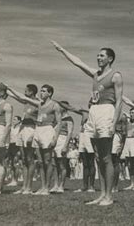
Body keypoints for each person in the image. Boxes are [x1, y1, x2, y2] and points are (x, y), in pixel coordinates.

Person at [51, 41, 123, 206]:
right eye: (98, 55)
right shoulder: (95, 74)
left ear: (110, 59)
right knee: (98, 157)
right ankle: (102, 194)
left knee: (106, 157)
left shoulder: (115, 75)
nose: (98, 58)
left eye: (102, 55)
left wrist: (113, 123)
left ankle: (109, 196)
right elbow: (78, 62)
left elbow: (119, 102)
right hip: (94, 112)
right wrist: (62, 49)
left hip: (107, 111)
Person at [7, 84, 39, 195]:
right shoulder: (26, 102)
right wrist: (8, 92)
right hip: (22, 129)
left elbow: (21, 96)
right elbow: (18, 97)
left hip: (30, 129)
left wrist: (10, 87)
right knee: (24, 159)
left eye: (26, 91)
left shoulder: (38, 103)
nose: (24, 92)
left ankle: (29, 187)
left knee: (30, 159)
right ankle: (24, 187)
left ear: (31, 92)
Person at [51, 101, 74, 193]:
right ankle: (55, 185)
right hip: (55, 140)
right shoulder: (57, 118)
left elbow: (70, 132)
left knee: (62, 164)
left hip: (63, 140)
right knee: (54, 164)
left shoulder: (69, 118)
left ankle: (61, 185)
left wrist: (65, 145)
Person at [121, 108, 134, 191]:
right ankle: (132, 183)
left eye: (133, 113)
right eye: (130, 113)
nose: (131, 114)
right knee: (129, 164)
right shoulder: (128, 122)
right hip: (128, 141)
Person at [111, 113, 127, 193]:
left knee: (115, 162)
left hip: (117, 137)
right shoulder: (107, 112)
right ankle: (109, 185)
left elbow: (124, 133)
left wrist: (121, 146)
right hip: (108, 137)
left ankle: (115, 186)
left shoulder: (122, 116)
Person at [6, 116, 22, 187]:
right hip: (11, 145)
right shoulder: (11, 128)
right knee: (11, 163)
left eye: (15, 119)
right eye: (13, 119)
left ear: (19, 121)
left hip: (17, 145)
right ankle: (12, 180)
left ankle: (16, 180)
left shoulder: (20, 128)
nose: (13, 121)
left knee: (16, 163)